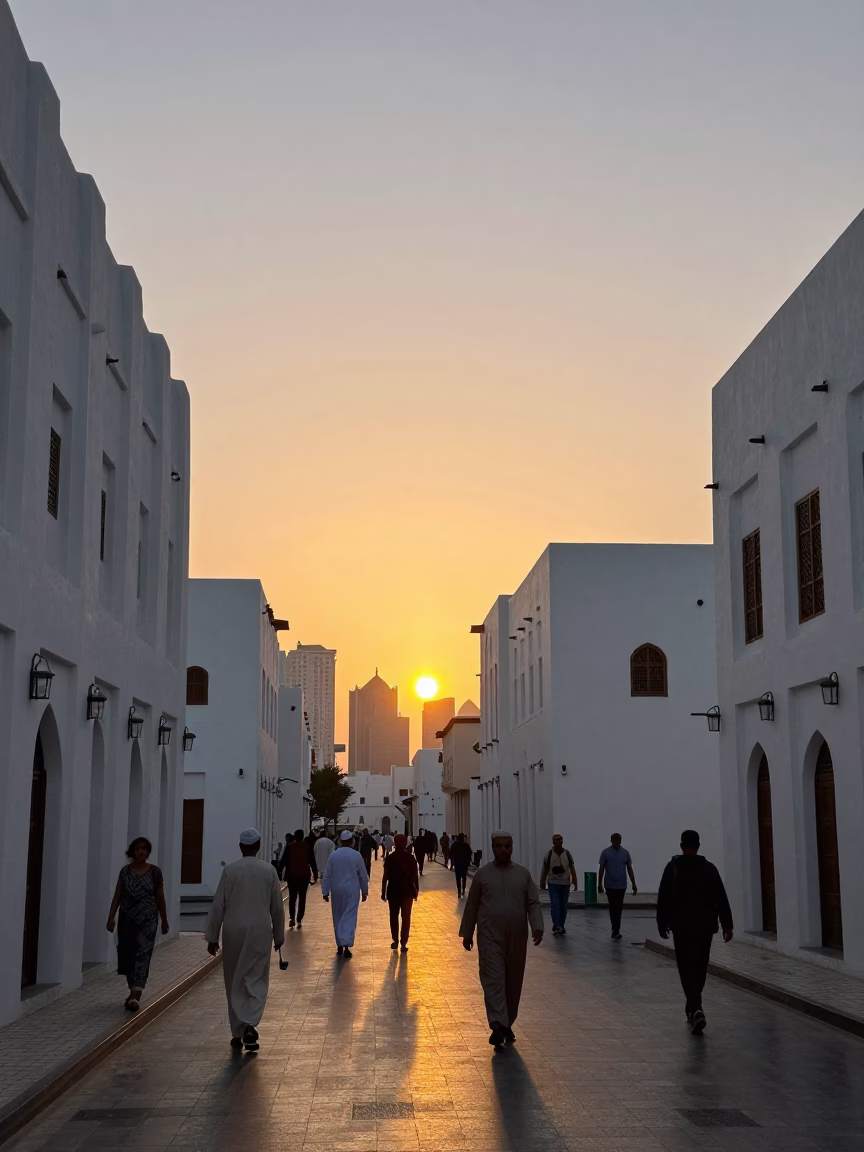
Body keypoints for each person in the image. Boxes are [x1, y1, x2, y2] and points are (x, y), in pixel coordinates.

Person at [460, 831, 543, 1047]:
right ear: (493, 847)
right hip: (490, 936)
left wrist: (537, 926)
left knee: (512, 982)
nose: (503, 850)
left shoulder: (523, 875)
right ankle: (498, 1024)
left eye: (507, 846)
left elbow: (533, 903)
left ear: (512, 848)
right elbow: (473, 905)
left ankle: (507, 1023)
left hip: (517, 937)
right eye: (499, 846)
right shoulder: (483, 875)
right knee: (494, 978)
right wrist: (468, 932)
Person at [205, 829, 285, 1051]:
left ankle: (238, 1030)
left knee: (234, 978)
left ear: (241, 846)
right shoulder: (268, 870)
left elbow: (218, 905)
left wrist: (212, 937)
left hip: (233, 929)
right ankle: (249, 1024)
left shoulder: (230, 870)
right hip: (260, 929)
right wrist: (279, 935)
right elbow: (277, 907)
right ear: (258, 845)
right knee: (255, 977)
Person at [657, 829, 733, 1035]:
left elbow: (663, 897)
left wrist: (661, 923)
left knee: (686, 967)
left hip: (682, 927)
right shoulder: (709, 869)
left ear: (682, 846)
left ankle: (695, 1007)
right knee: (700, 967)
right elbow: (721, 897)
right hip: (705, 927)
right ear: (698, 846)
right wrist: (728, 924)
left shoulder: (672, 868)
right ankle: (694, 1006)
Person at [106, 837, 169, 1012]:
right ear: (133, 852)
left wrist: (164, 919)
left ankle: (136, 994)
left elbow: (160, 897)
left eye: (144, 849)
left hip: (148, 921)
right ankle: (132, 989)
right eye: (138, 849)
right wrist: (111, 917)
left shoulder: (155, 872)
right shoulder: (125, 872)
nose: (141, 852)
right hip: (127, 920)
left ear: (148, 852)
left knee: (143, 955)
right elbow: (118, 895)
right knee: (127, 954)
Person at [321, 829, 369, 957]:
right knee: (349, 916)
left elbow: (327, 875)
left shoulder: (333, 855)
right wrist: (364, 891)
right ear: (351, 841)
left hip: (336, 890)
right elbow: (363, 875)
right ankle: (346, 945)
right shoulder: (356, 855)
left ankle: (339, 945)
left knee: (337, 915)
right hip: (352, 890)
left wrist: (325, 891)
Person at [381, 833, 420, 951]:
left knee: (393, 917)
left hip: (393, 891)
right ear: (404, 843)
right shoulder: (410, 858)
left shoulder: (390, 858)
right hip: (407, 892)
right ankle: (403, 942)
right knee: (406, 917)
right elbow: (415, 877)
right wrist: (416, 891)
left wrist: (383, 892)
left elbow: (385, 876)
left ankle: (395, 940)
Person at [598, 833, 637, 940]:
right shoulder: (605, 853)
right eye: (615, 840)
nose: (617, 842)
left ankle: (616, 930)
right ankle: (614, 928)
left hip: (621, 885)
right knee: (613, 906)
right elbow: (601, 869)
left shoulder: (625, 853)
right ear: (611, 841)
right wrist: (599, 884)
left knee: (619, 908)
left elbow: (629, 868)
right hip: (610, 885)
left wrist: (633, 883)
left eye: (618, 840)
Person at [539, 834, 579, 936]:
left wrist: (574, 881)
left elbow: (572, 867)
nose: (558, 841)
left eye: (559, 839)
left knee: (563, 905)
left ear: (562, 841)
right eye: (555, 840)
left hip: (565, 883)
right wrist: (542, 880)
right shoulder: (549, 854)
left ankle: (561, 924)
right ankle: (557, 924)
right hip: (553, 882)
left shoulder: (567, 854)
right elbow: (545, 868)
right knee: (555, 904)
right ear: (553, 842)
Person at [285, 827, 313, 929]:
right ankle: (299, 919)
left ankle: (292, 917)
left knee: (292, 897)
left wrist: (279, 870)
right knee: (302, 898)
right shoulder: (307, 847)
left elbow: (283, 860)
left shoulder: (289, 847)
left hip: (292, 876)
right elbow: (312, 861)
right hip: (304, 876)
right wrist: (315, 874)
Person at [450, 832, 472, 897]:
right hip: (464, 864)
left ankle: (459, 891)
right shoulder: (466, 845)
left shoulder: (455, 844)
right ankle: (463, 890)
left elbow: (451, 852)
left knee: (458, 878)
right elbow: (470, 853)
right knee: (464, 878)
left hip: (457, 863)